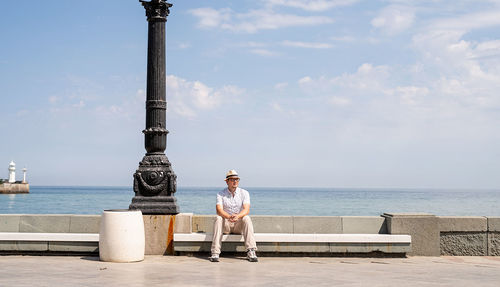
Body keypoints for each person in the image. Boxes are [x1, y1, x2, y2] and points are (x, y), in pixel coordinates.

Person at [209, 169, 258, 262]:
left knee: (246, 218)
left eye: (237, 179)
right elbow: (219, 210)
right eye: (232, 179)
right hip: (226, 225)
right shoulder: (220, 194)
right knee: (218, 218)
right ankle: (215, 253)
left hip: (238, 225)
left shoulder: (244, 193)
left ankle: (251, 251)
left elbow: (246, 209)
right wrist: (228, 217)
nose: (235, 181)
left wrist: (237, 216)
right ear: (227, 182)